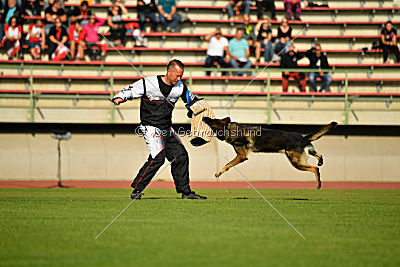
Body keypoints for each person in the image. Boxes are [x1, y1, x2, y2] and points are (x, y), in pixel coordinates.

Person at [111, 59, 207, 200]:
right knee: (158, 158)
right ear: (169, 72)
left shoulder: (180, 87)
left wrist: (197, 109)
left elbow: (192, 100)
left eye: (181, 76)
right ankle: (137, 189)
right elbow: (131, 90)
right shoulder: (149, 83)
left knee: (181, 156)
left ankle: (186, 192)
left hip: (166, 128)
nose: (179, 79)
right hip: (150, 126)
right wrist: (119, 97)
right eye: (177, 75)